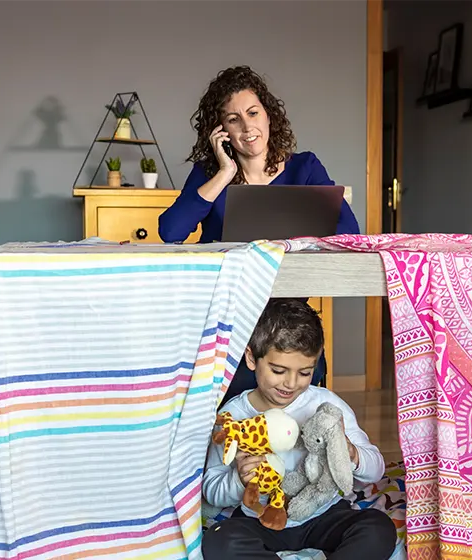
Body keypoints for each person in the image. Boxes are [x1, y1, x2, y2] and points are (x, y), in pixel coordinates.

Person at [201, 299, 397, 560]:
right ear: (251, 358)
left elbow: (376, 470)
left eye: (305, 373)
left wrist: (349, 453)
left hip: (323, 514)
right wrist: (239, 479)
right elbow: (212, 491)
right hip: (260, 519)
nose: (291, 383)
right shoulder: (232, 417)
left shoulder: (326, 406)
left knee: (378, 527)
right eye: (278, 370)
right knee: (219, 540)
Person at [157, 65, 360, 244]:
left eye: (253, 113)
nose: (247, 127)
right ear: (220, 129)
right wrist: (225, 173)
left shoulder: (305, 167)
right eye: (233, 119)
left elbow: (349, 231)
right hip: (226, 282)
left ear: (269, 116)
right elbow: (171, 232)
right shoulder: (208, 173)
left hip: (289, 279)